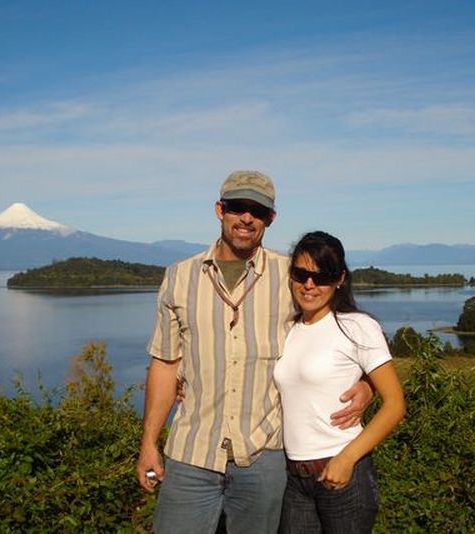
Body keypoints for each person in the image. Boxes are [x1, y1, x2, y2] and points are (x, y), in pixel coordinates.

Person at [136, 171, 374, 534]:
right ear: (220, 210)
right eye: (237, 207)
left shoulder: (291, 275)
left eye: (257, 210)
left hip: (264, 458)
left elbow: (341, 328)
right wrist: (149, 443)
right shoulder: (179, 278)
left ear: (270, 219)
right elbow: (166, 364)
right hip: (191, 453)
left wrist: (367, 381)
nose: (246, 218)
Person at [274, 231, 406, 533]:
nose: (310, 284)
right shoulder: (288, 328)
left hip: (344, 475)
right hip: (294, 481)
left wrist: (346, 459)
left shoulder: (357, 326)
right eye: (301, 274)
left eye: (322, 276)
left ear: (339, 279)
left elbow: (395, 404)